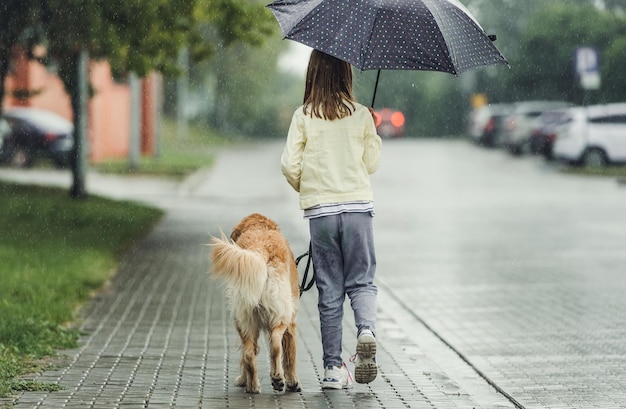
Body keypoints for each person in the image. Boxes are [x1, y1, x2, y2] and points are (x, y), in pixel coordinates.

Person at [280, 49, 382, 390]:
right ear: (346, 75)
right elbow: (370, 164)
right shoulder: (361, 115)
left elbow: (289, 166)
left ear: (313, 74)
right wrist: (373, 131)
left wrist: (308, 188)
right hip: (357, 210)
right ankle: (366, 330)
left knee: (330, 290)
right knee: (362, 281)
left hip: (321, 214)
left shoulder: (303, 115)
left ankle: (331, 370)